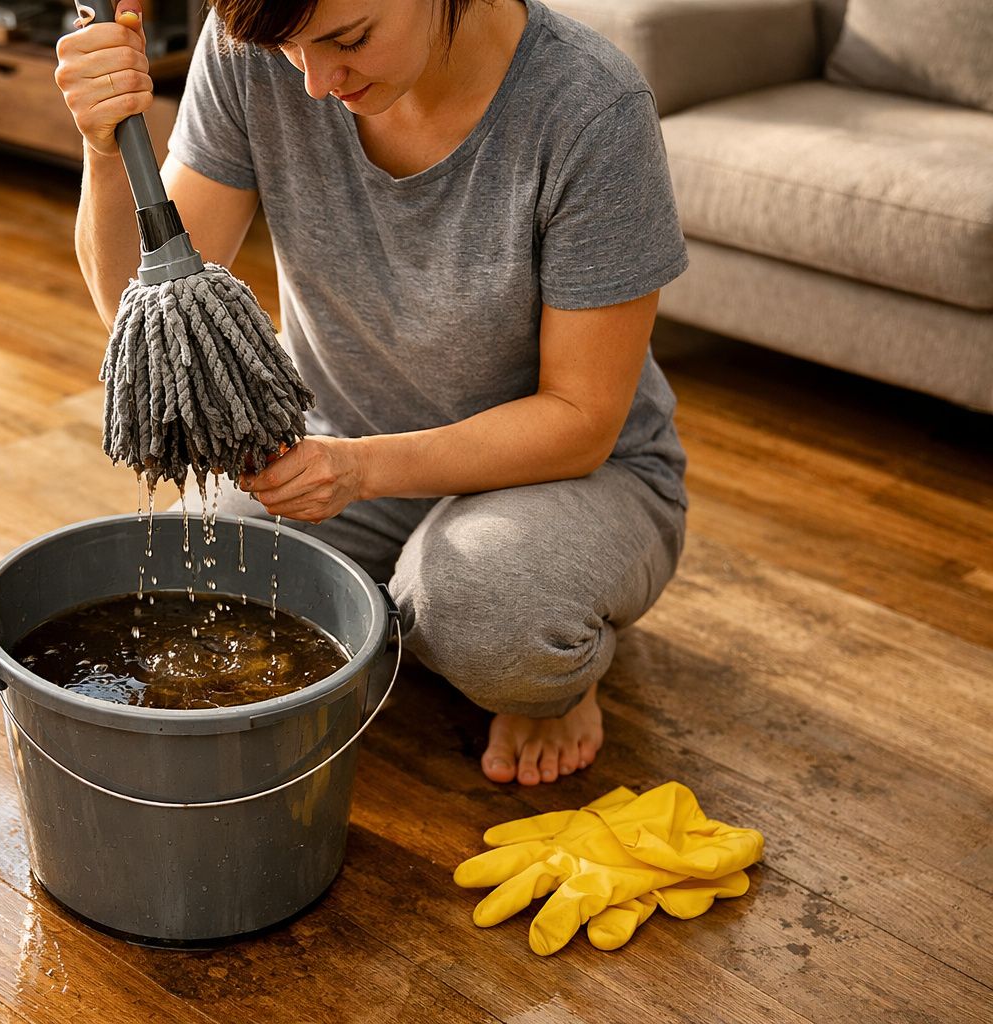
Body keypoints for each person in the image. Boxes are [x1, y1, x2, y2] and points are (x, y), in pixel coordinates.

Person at [56, 0, 688, 786]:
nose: (317, 82)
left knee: (494, 617)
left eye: (348, 40)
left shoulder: (589, 107)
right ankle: (417, 603)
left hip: (569, 475)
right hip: (336, 446)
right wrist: (107, 149)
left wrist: (356, 473)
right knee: (191, 581)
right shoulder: (258, 43)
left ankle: (534, 644)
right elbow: (140, 308)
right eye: (293, 51)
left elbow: (581, 421)